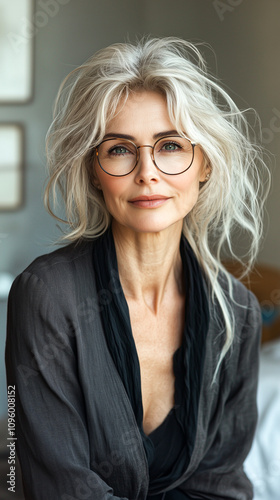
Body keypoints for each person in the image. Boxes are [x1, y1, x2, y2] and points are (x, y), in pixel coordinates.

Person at [5, 37, 269, 500]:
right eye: (121, 150)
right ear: (93, 168)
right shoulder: (46, 294)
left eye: (170, 146)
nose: (148, 171)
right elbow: (58, 486)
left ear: (204, 163)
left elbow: (222, 485)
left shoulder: (238, 311)